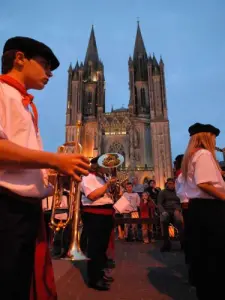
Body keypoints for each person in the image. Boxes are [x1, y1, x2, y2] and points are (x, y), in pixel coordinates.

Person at [0, 36, 90, 300]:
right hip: (7, 208)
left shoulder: (24, 103)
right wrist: (54, 160)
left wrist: (55, 172)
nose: (50, 73)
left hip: (25, 210)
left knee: (20, 284)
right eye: (45, 65)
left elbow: (22, 159)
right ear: (19, 58)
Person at [177, 122, 225, 299]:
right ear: (206, 137)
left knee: (205, 257)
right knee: (214, 257)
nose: (214, 141)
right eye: (213, 137)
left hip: (199, 209)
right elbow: (203, 183)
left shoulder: (192, 156)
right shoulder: (203, 154)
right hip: (209, 210)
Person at [81, 156, 116, 291]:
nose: (107, 167)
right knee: (95, 247)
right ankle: (94, 279)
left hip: (105, 215)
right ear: (96, 165)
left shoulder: (101, 178)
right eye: (104, 165)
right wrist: (107, 186)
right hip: (95, 215)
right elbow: (92, 196)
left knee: (102, 248)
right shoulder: (88, 177)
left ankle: (100, 273)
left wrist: (111, 187)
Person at [157, 178, 183, 252]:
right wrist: (163, 211)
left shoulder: (178, 192)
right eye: (169, 183)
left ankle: (183, 242)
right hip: (166, 210)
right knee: (164, 220)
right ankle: (166, 243)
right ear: (167, 184)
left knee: (179, 221)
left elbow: (181, 202)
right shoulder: (163, 192)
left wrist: (179, 209)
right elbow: (159, 203)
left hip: (176, 210)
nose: (171, 185)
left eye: (172, 183)